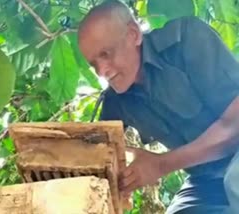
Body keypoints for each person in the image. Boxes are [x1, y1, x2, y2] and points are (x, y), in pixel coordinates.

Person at [77, 0, 239, 213]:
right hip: (206, 181)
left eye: (106, 54)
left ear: (134, 34)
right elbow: (93, 153)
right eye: (94, 64)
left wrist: (160, 164)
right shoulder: (116, 102)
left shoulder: (185, 39)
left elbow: (235, 125)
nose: (102, 71)